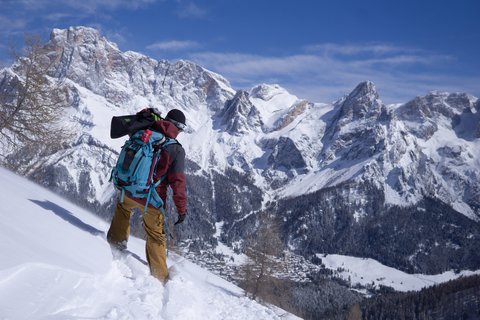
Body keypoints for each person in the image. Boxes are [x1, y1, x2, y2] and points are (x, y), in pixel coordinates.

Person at [107, 108, 187, 283]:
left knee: (123, 211)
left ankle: (114, 246)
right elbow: (178, 183)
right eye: (181, 129)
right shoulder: (175, 149)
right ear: (178, 127)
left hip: (128, 189)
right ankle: (159, 278)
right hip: (152, 200)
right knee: (155, 236)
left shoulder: (144, 132)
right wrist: (182, 209)